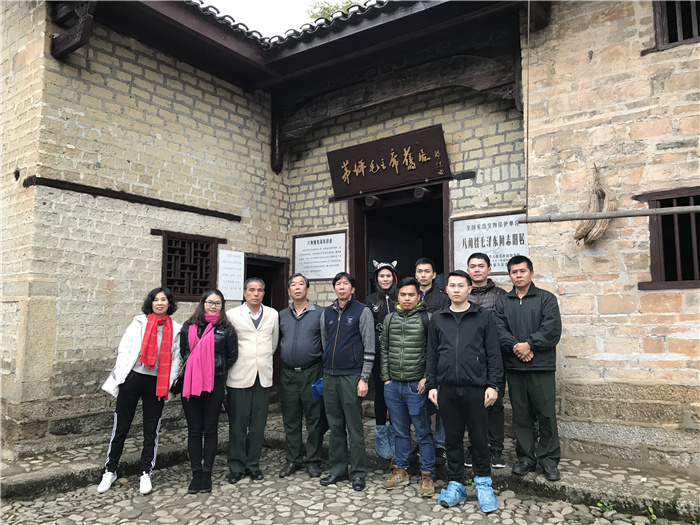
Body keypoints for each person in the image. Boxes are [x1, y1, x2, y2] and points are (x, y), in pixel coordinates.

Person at [426, 270, 502, 512]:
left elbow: (493, 353)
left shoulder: (483, 316)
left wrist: (493, 385)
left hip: (476, 387)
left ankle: (483, 484)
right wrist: (432, 385)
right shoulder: (438, 318)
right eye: (452, 286)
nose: (456, 289)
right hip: (447, 388)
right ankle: (456, 483)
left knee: (479, 438)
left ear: (469, 289)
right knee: (452, 439)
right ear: (446, 289)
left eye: (461, 285)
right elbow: (432, 354)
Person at [99, 287, 182, 495]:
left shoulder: (176, 329)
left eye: (164, 300)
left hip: (157, 383)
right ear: (151, 303)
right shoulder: (139, 323)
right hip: (133, 378)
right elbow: (125, 348)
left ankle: (145, 472)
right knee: (121, 426)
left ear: (169, 303)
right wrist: (122, 375)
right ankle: (110, 470)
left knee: (151, 429)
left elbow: (176, 359)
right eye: (156, 300)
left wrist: (168, 383)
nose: (160, 303)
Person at [493, 255, 563, 482]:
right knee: (521, 415)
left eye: (522, 271)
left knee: (546, 414)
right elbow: (498, 329)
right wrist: (516, 346)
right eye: (514, 272)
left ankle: (549, 460)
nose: (518, 275)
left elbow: (551, 329)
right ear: (510, 275)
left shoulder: (546, 298)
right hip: (515, 367)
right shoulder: (503, 302)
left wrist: (530, 344)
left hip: (540, 367)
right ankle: (525, 458)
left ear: (531, 273)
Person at [319, 272, 375, 491]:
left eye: (345, 284)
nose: (341, 287)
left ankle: (358, 472)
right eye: (338, 284)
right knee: (335, 425)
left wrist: (364, 378)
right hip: (330, 376)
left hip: (352, 376)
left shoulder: (362, 312)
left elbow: (369, 346)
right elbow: (325, 342)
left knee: (354, 426)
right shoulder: (327, 313)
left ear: (353, 289)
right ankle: (337, 469)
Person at [380, 277, 435, 497]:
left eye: (411, 294)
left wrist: (427, 378)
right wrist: (386, 378)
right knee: (400, 431)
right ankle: (400, 471)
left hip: (416, 386)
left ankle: (427, 474)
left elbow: (433, 351)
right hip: (393, 385)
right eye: (403, 294)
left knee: (423, 432)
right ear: (398, 296)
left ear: (419, 296)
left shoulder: (427, 318)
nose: (407, 298)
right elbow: (384, 348)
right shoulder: (389, 318)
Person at [180, 289, 238, 493]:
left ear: (222, 306)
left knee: (210, 429)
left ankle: (207, 473)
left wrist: (213, 369)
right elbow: (183, 352)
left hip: (214, 384)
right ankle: (196, 472)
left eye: (217, 303)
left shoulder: (227, 329)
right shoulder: (188, 326)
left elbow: (232, 356)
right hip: (191, 383)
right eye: (210, 302)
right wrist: (196, 370)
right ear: (203, 303)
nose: (213, 306)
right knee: (194, 429)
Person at [226, 277, 279, 483]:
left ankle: (253, 464)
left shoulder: (273, 314)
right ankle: (236, 466)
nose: (255, 294)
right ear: (244, 293)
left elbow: (273, 343)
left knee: (258, 423)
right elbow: (229, 343)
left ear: (264, 293)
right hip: (240, 374)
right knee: (238, 423)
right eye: (251, 290)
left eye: (259, 290)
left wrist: (260, 360)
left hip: (263, 375)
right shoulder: (232, 314)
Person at [278, 273, 326, 479]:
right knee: (291, 418)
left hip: (312, 372)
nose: (297, 288)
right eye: (293, 285)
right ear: (289, 290)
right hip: (289, 374)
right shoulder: (281, 315)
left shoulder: (321, 313)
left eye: (301, 284)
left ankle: (313, 460)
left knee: (314, 418)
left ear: (307, 289)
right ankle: (293, 459)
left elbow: (326, 342)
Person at [466, 252, 507, 470]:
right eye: (472, 266)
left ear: (489, 270)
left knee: (495, 404)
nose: (477, 270)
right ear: (468, 270)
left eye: (481, 266)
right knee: (473, 405)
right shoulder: (463, 294)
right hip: (469, 360)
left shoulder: (501, 295)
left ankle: (496, 449)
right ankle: (474, 447)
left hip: (494, 357)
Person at [413, 257, 448, 466]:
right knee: (420, 404)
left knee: (440, 403)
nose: (423, 275)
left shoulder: (443, 299)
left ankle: (441, 445)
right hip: (416, 356)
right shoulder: (410, 296)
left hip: (438, 356)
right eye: (419, 271)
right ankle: (423, 441)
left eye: (427, 271)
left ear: (434, 275)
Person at [364, 260, 398, 460]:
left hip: (399, 355)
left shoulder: (400, 297)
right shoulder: (370, 300)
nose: (385, 279)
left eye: (388, 276)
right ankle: (381, 433)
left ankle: (396, 432)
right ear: (376, 279)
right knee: (381, 394)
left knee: (396, 395)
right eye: (381, 276)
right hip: (378, 356)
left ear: (394, 278)